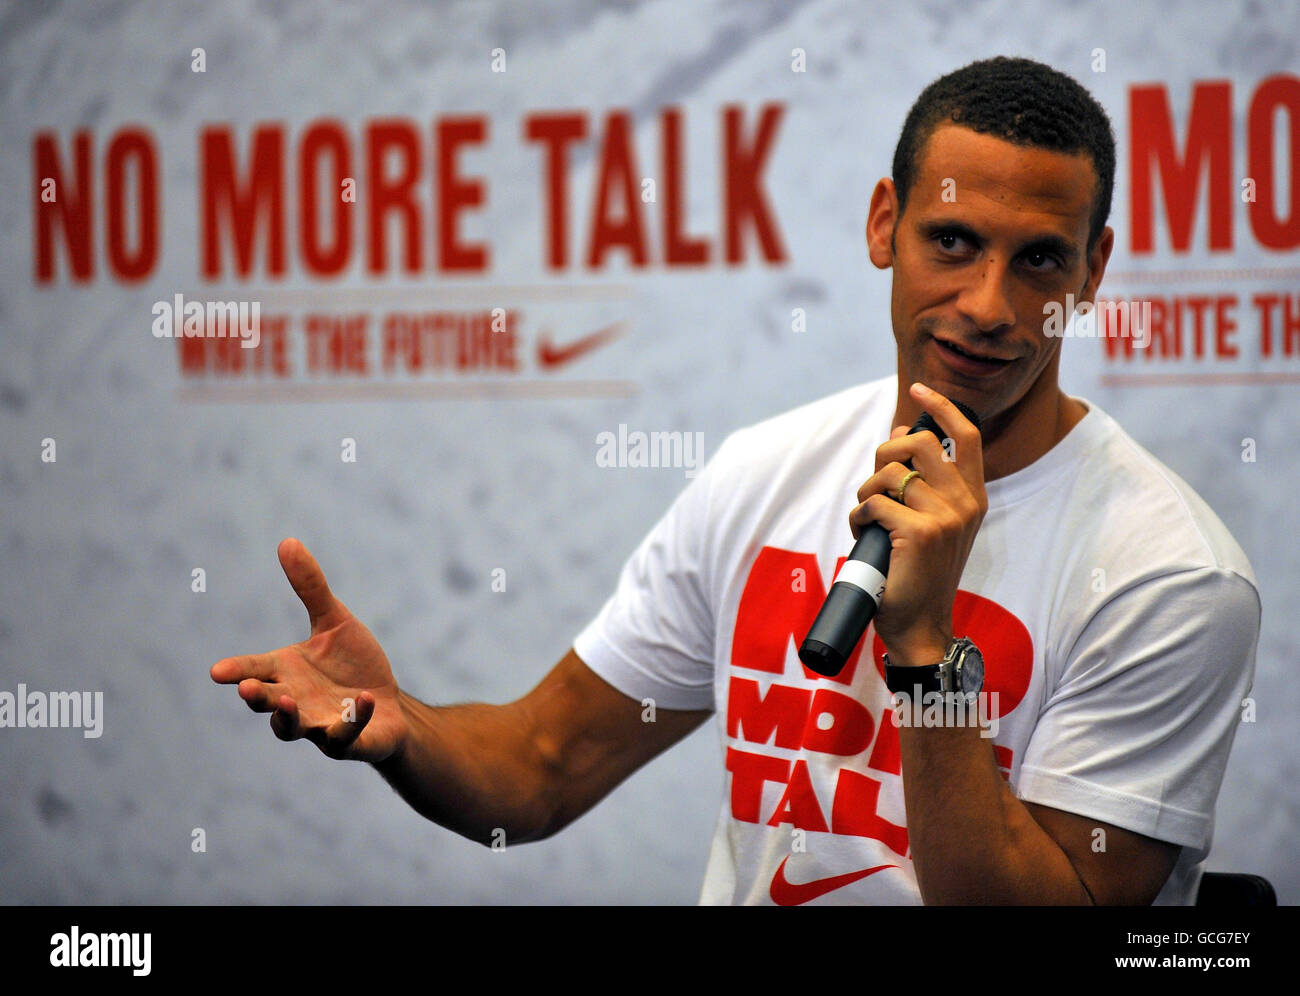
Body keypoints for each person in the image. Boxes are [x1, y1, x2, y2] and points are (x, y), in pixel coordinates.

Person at [211, 56, 1260, 905]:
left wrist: (929, 656)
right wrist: (399, 728)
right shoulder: (764, 473)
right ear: (882, 225)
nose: (989, 302)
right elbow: (539, 765)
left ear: (1092, 272)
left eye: (1038, 260)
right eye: (951, 241)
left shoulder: (1169, 574)